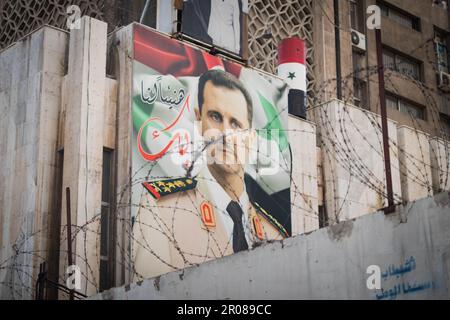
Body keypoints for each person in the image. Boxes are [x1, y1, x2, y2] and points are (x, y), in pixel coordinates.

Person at [132, 70, 288, 280]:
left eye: (235, 124)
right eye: (215, 117)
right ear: (199, 121)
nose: (225, 133)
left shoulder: (274, 234)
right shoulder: (161, 209)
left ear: (250, 139)